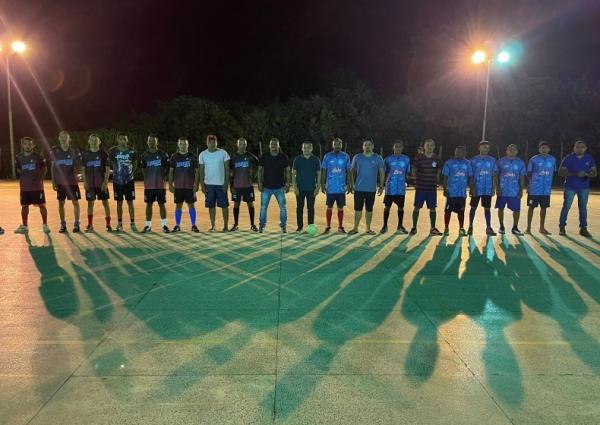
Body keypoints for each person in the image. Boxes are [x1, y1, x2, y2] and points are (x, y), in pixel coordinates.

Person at [558, 139, 597, 237]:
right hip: (570, 187)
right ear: (574, 148)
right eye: (577, 147)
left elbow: (595, 173)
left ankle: (583, 228)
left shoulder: (589, 158)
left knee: (583, 208)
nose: (580, 149)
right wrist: (575, 174)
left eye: (582, 147)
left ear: (585, 148)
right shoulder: (568, 158)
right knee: (566, 207)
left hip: (584, 187)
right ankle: (562, 227)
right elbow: (560, 172)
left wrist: (587, 174)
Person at [14, 137, 50, 234]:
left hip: (37, 187)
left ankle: (45, 225)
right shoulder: (18, 157)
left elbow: (44, 168)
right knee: (24, 206)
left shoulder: (38, 156)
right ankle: (25, 226)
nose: (27, 146)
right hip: (25, 188)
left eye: (29, 144)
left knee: (42, 206)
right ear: (22, 145)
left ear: (33, 145)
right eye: (25, 144)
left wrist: (40, 178)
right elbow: (18, 169)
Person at [348, 140, 384, 235]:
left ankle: (368, 229)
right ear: (363, 146)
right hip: (359, 188)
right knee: (358, 209)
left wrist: (381, 185)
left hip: (371, 189)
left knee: (369, 209)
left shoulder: (378, 158)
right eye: (365, 145)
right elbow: (351, 171)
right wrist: (352, 184)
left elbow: (381, 172)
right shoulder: (357, 157)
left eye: (369, 144)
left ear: (373, 146)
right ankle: (355, 228)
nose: (367, 146)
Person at [50, 130, 81, 233]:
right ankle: (63, 224)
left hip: (72, 182)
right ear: (59, 138)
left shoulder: (74, 150)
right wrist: (53, 181)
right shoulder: (55, 150)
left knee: (75, 202)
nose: (63, 138)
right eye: (61, 136)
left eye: (65, 136)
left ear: (69, 139)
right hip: (60, 182)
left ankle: (76, 224)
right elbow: (53, 166)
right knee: (61, 203)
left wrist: (80, 174)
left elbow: (78, 165)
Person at [257, 138, 290, 233]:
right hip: (266, 187)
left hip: (279, 187)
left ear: (278, 146)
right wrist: (259, 183)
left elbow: (287, 170)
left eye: (275, 144)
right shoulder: (264, 156)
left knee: (283, 207)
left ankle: (283, 226)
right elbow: (260, 170)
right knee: (263, 207)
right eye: (272, 144)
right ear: (269, 146)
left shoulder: (283, 157)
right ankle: (261, 226)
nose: (273, 146)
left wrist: (288, 183)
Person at [410, 139, 442, 236]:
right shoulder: (419, 157)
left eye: (431, 145)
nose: (429, 147)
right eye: (427, 145)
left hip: (432, 188)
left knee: (433, 208)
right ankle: (414, 228)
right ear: (424, 146)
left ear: (434, 147)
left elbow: (439, 169)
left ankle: (432, 228)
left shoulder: (436, 158)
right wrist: (415, 178)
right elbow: (414, 168)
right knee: (416, 207)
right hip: (421, 188)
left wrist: (437, 178)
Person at [199, 134, 230, 232]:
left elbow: (227, 169)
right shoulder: (202, 154)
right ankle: (213, 226)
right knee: (211, 206)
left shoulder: (223, 153)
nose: (212, 144)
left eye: (214, 142)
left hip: (221, 184)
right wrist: (202, 184)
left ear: (216, 142)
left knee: (224, 206)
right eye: (210, 142)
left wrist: (226, 183)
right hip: (209, 185)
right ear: (207, 143)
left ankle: (225, 226)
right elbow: (201, 170)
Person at [140, 134, 170, 233]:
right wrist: (149, 178)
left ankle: (164, 225)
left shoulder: (163, 155)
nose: (151, 143)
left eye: (153, 141)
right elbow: (144, 170)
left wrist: (161, 178)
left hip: (160, 185)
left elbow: (167, 169)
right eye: (150, 141)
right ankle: (148, 226)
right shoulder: (144, 155)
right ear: (147, 142)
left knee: (162, 204)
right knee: (149, 204)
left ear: (157, 142)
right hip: (149, 185)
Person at [169, 137, 200, 232]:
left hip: (189, 186)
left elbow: (197, 171)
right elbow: (171, 171)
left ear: (188, 145)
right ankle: (177, 225)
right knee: (178, 205)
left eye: (185, 144)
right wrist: (170, 184)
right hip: (178, 186)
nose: (183, 146)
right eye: (181, 144)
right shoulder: (174, 157)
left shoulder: (192, 156)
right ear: (178, 145)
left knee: (191, 205)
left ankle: (194, 225)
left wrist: (196, 184)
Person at [82, 134, 112, 232]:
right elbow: (83, 170)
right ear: (89, 141)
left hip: (101, 183)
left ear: (99, 142)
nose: (94, 142)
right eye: (92, 140)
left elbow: (107, 170)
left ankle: (108, 225)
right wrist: (85, 182)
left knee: (105, 203)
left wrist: (105, 182)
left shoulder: (104, 154)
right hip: (90, 184)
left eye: (96, 140)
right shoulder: (85, 154)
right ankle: (90, 225)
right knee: (90, 204)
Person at [320, 138, 351, 234]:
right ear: (332, 145)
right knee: (329, 207)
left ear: (341, 145)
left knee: (340, 208)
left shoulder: (346, 156)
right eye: (335, 144)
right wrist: (322, 183)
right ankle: (328, 226)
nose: (337, 146)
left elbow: (349, 171)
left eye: (339, 144)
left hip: (341, 188)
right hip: (330, 188)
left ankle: (340, 227)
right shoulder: (327, 156)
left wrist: (349, 183)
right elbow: (324, 171)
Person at [525, 141, 556, 235]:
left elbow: (553, 172)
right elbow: (529, 173)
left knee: (544, 208)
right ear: (539, 149)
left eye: (546, 148)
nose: (544, 150)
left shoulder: (552, 159)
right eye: (542, 148)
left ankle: (542, 228)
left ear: (549, 149)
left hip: (545, 190)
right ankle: (528, 228)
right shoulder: (533, 159)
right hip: (534, 189)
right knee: (531, 207)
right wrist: (529, 186)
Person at [494, 144, 526, 235]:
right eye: (510, 149)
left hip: (514, 190)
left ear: (517, 151)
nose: (512, 151)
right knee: (501, 208)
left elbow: (522, 177)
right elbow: (496, 176)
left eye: (514, 149)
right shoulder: (501, 162)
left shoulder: (520, 163)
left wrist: (521, 190)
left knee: (517, 210)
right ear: (506, 151)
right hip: (503, 189)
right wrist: (497, 187)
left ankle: (515, 227)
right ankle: (501, 226)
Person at [109, 132, 137, 232]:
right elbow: (111, 163)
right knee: (119, 203)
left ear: (127, 140)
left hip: (129, 181)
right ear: (117, 140)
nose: (122, 141)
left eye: (124, 139)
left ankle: (132, 223)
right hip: (117, 181)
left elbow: (135, 163)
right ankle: (120, 223)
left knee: (130, 202)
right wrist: (116, 173)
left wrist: (130, 173)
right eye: (120, 139)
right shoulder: (113, 151)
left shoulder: (132, 151)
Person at [381, 140, 410, 234]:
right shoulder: (387, 159)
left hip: (401, 189)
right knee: (387, 207)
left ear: (402, 148)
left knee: (401, 208)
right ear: (393, 148)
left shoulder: (406, 159)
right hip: (390, 188)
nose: (397, 148)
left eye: (399, 146)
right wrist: (382, 184)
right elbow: (383, 173)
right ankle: (385, 226)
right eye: (396, 146)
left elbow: (407, 173)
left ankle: (400, 226)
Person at [468, 140, 497, 236]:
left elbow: (494, 175)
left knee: (487, 208)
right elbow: (471, 175)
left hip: (487, 189)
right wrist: (471, 187)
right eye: (484, 147)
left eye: (488, 148)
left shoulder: (492, 160)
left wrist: (493, 188)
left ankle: (488, 227)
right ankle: (470, 226)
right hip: (477, 188)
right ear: (479, 148)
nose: (486, 149)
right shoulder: (473, 160)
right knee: (473, 207)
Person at [441, 146, 472, 236]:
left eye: (461, 152)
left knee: (461, 212)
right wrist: (445, 188)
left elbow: (470, 176)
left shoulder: (468, 163)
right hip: (451, 192)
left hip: (462, 193)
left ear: (464, 153)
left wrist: (471, 189)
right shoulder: (449, 162)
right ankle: (446, 228)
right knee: (447, 211)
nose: (459, 153)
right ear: (454, 152)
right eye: (457, 151)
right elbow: (445, 177)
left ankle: (461, 228)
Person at [230, 138, 258, 231]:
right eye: (241, 144)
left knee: (250, 204)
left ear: (246, 145)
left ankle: (252, 224)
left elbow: (259, 163)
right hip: (237, 185)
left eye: (244, 144)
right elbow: (229, 171)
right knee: (236, 204)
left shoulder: (250, 156)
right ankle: (236, 224)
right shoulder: (233, 157)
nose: (243, 146)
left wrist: (253, 174)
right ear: (237, 145)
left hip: (248, 185)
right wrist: (231, 185)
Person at [292, 142, 321, 232]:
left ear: (311, 149)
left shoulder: (316, 159)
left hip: (311, 188)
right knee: (299, 208)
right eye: (304, 147)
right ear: (302, 148)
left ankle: (310, 227)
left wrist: (318, 187)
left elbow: (319, 174)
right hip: (300, 188)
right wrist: (295, 187)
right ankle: (299, 227)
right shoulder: (297, 159)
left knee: (311, 208)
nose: (306, 149)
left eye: (308, 148)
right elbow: (293, 174)